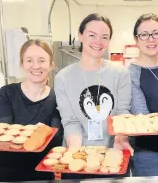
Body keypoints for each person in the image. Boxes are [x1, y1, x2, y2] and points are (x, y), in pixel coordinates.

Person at [54, 13, 133, 179]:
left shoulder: (120, 73)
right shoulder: (63, 77)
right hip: (77, 154)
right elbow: (70, 120)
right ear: (80, 35)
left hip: (112, 154)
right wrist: (79, 158)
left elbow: (122, 114)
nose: (98, 42)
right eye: (92, 35)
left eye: (104, 37)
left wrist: (120, 139)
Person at [0, 39, 63, 182]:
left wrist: (43, 135)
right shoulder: (7, 93)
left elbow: (56, 139)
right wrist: (39, 133)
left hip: (39, 175)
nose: (36, 66)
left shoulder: (58, 98)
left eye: (41, 60)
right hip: (3, 173)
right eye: (29, 60)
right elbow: (4, 135)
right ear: (22, 64)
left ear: (51, 65)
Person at [128, 13, 158, 176]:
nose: (151, 39)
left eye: (156, 33)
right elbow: (142, 117)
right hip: (147, 154)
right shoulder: (131, 73)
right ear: (136, 40)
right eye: (144, 35)